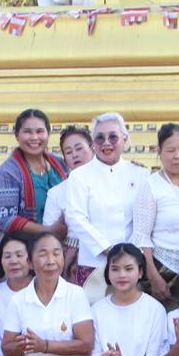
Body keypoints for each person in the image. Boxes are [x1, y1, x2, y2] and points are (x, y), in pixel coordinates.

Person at [61, 113, 147, 295]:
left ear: (125, 139)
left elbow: (144, 220)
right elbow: (75, 218)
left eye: (113, 137)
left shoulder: (140, 174)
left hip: (132, 264)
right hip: (94, 263)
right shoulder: (80, 176)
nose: (106, 143)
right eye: (100, 138)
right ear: (93, 143)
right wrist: (108, 250)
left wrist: (129, 254)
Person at [137, 123, 179, 304]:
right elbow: (142, 236)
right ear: (159, 152)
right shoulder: (150, 185)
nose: (177, 156)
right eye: (170, 150)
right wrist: (153, 276)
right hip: (164, 269)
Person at [0, 107, 68, 247]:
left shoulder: (60, 164)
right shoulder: (7, 174)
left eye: (40, 131)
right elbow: (4, 220)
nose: (34, 137)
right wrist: (47, 231)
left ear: (48, 133)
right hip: (26, 250)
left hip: (64, 246)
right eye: (27, 132)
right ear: (17, 135)